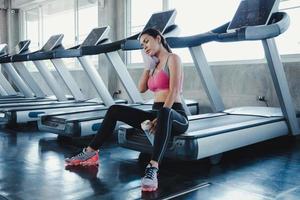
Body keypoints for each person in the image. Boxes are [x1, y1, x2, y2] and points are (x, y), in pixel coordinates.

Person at [65, 28, 189, 192]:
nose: (144, 46)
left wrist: (161, 117)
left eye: (146, 41)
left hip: (175, 114)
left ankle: (153, 169)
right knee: (115, 109)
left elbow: (173, 91)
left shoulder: (173, 59)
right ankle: (91, 152)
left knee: (164, 112)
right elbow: (142, 88)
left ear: (158, 38)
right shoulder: (153, 64)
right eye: (141, 45)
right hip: (155, 112)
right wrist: (147, 66)